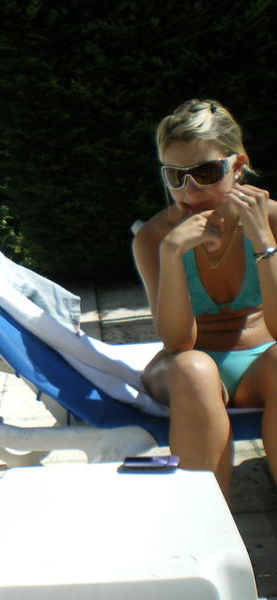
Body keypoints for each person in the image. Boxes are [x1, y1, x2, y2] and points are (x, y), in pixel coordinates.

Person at [133, 99, 277, 494]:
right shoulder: (155, 237)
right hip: (184, 371)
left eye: (206, 172)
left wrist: (263, 242)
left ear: (237, 165)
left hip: (260, 364)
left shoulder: (272, 219)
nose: (190, 190)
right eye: (175, 176)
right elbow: (177, 343)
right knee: (194, 369)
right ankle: (209, 521)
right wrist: (171, 254)